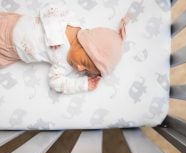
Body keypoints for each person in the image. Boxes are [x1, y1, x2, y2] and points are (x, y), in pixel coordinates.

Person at [0, 2, 131, 94]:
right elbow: (48, 9)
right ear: (85, 43)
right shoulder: (70, 22)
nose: (79, 69)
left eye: (85, 71)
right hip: (12, 25)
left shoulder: (67, 64)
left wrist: (82, 84)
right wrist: (53, 35)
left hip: (10, 52)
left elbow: (55, 81)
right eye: (84, 63)